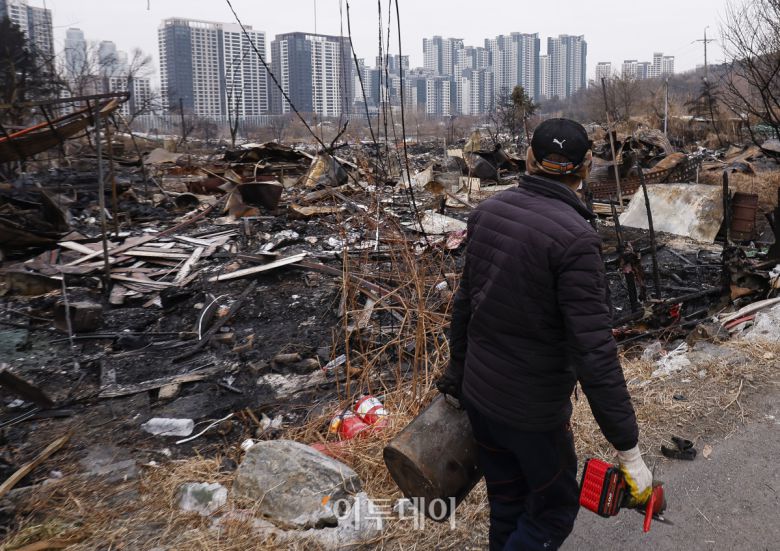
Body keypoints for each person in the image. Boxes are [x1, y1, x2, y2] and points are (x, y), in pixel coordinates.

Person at [436, 118, 653, 550]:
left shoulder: (487, 213)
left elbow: (464, 306)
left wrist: (457, 374)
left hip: (481, 398)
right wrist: (628, 450)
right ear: (587, 166)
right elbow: (594, 351)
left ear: (530, 159)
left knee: (508, 503)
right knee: (552, 512)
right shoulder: (576, 239)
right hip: (531, 415)